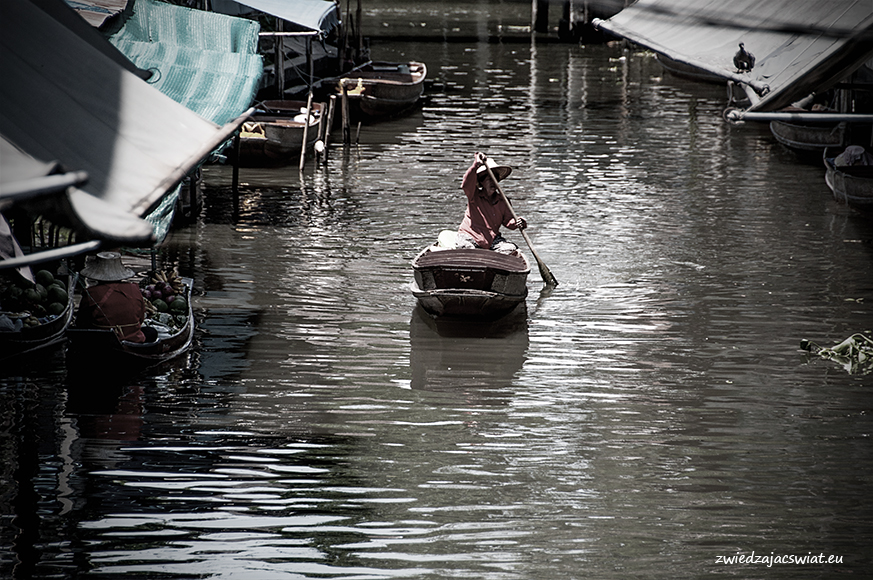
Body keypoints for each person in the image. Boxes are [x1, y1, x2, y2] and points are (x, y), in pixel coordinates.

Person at [451, 152, 527, 255]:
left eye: (495, 180)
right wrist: (475, 165)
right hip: (470, 236)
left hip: (491, 240)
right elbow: (466, 184)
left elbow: (508, 221)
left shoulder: (503, 201)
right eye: (489, 180)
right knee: (466, 249)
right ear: (482, 182)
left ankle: (493, 265)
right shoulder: (474, 195)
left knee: (511, 249)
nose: (493, 183)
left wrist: (518, 222)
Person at [76, 252, 157, 343]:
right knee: (151, 332)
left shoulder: (91, 293)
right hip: (133, 338)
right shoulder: (134, 288)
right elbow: (141, 319)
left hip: (102, 340)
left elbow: (81, 322)